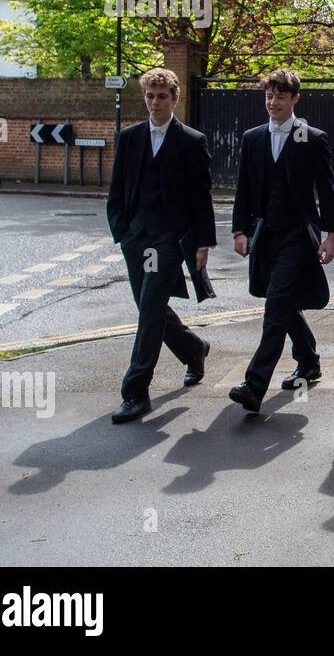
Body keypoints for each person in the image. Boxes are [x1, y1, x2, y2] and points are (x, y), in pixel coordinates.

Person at [105, 68, 215, 424]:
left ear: (175, 98)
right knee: (148, 306)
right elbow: (117, 189)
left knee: (150, 307)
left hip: (169, 239)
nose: (155, 102)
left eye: (162, 96)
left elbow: (201, 197)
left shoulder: (191, 141)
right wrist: (121, 230)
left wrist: (203, 243)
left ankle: (135, 392)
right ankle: (194, 349)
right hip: (136, 237)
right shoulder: (130, 137)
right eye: (150, 96)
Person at [228, 68, 334, 413]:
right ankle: (309, 361)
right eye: (268, 96)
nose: (272, 102)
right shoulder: (253, 137)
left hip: (297, 236)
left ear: (295, 98)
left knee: (275, 305)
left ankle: (254, 384)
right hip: (265, 235)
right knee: (283, 302)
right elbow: (244, 187)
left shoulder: (311, 137)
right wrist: (239, 230)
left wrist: (331, 235)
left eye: (279, 96)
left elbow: (326, 190)